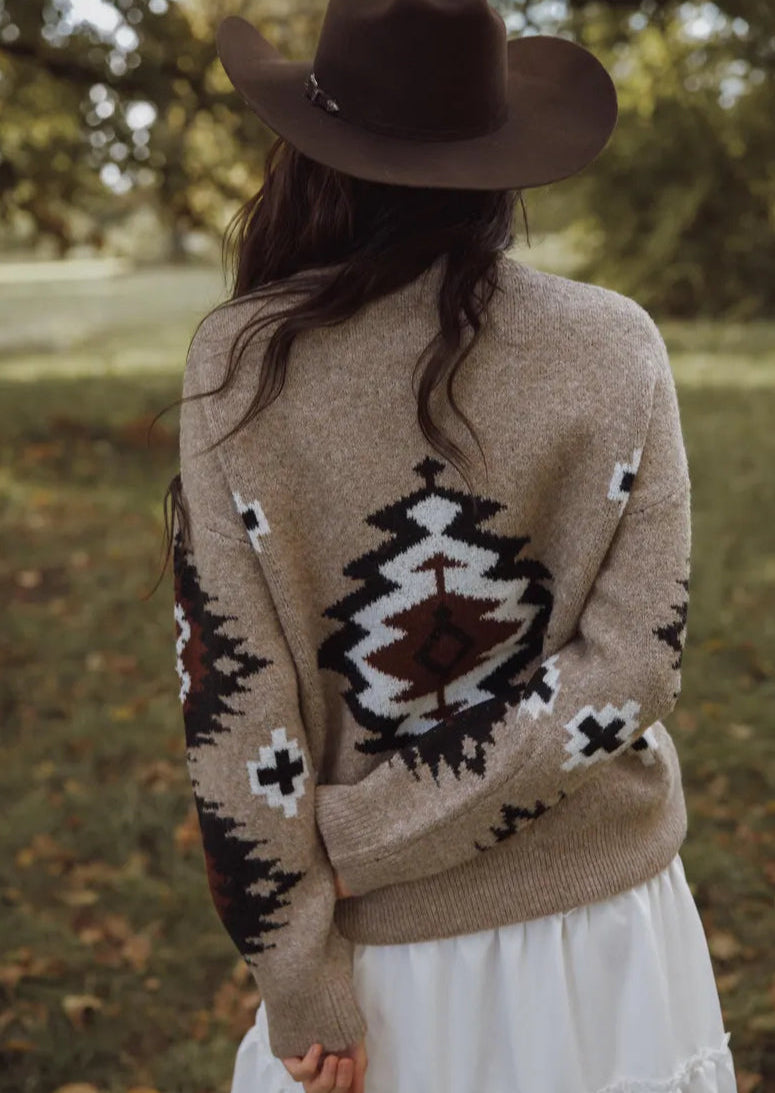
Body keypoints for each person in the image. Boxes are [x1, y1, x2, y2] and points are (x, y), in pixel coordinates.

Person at [157, 1, 739, 1091]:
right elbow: (631, 670)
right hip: (609, 939)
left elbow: (236, 707)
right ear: (498, 159)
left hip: (370, 952)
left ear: (310, 154)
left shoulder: (241, 365)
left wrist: (304, 945)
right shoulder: (616, 347)